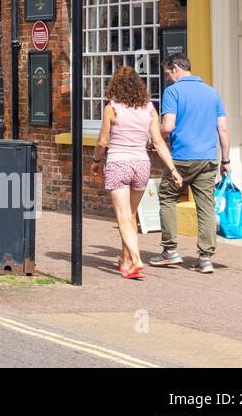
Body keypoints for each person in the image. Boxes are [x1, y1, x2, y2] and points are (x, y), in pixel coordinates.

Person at [92, 67, 182, 280]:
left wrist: (96, 160)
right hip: (141, 165)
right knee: (130, 216)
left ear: (115, 86)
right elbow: (158, 142)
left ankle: (136, 257)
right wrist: (173, 169)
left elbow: (103, 141)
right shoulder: (150, 109)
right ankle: (126, 261)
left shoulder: (111, 108)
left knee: (123, 217)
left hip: (119, 163)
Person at [152, 54, 231, 274]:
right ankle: (205, 259)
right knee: (206, 206)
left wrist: (154, 136)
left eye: (168, 73)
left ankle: (170, 251)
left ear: (176, 68)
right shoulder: (212, 92)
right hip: (208, 158)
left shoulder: (173, 92)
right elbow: (223, 130)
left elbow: (167, 126)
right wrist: (226, 160)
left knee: (167, 198)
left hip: (181, 158)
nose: (168, 78)